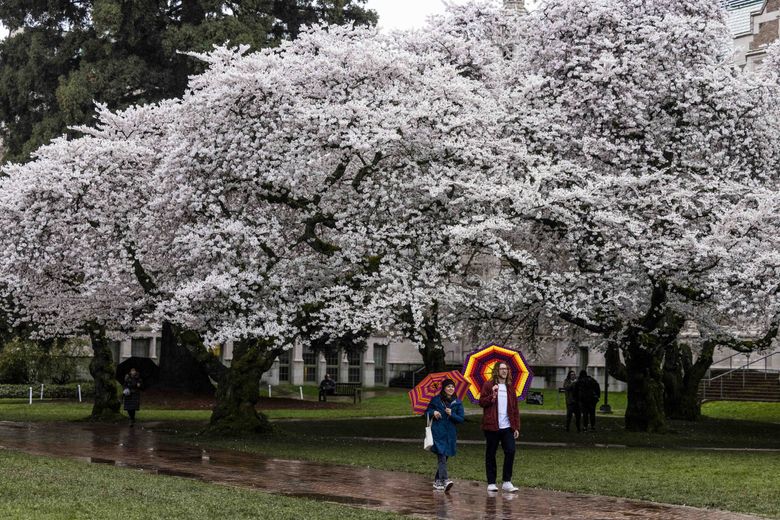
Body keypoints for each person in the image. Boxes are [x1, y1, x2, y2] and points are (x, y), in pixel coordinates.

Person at [479, 361, 520, 493]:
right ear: (497, 371)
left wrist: (516, 427)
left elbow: (515, 409)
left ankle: (507, 481)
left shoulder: (510, 388)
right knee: (491, 453)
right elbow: (482, 402)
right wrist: (492, 396)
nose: (504, 371)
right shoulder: (488, 385)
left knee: (511, 451)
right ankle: (491, 482)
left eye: (506, 369)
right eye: (502, 369)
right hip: (492, 426)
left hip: (507, 427)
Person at [426, 378, 464, 492]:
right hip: (438, 433)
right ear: (444, 388)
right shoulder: (436, 400)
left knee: (444, 457)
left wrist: (452, 414)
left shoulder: (457, 402)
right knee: (441, 456)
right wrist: (434, 412)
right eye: (448, 386)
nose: (451, 388)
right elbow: (427, 412)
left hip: (450, 435)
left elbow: (461, 419)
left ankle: (438, 481)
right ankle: (445, 480)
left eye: (452, 386)